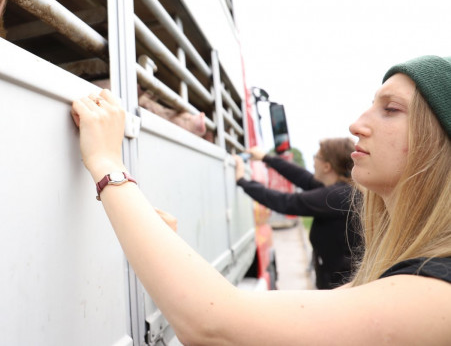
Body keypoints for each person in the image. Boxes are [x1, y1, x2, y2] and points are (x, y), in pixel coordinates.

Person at [70, 55, 450, 345]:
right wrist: (160, 242)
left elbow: (213, 323)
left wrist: (107, 163)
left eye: (391, 109)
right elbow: (236, 317)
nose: (357, 124)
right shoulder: (404, 273)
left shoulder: (435, 295)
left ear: (439, 144)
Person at [233, 139, 361, 289]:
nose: (313, 161)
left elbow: (287, 202)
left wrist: (242, 180)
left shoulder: (336, 197)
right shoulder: (342, 191)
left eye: (316, 157)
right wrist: (266, 158)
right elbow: (302, 177)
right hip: (338, 285)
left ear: (327, 167)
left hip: (341, 290)